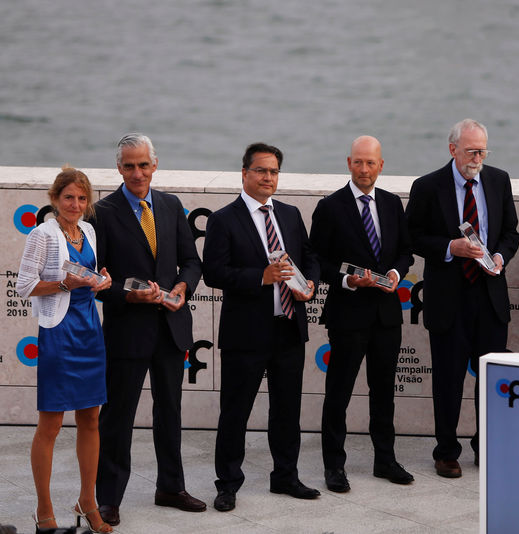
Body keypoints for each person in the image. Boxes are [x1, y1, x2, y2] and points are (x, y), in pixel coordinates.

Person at [91, 134, 205, 526]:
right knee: (118, 416)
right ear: (118, 169)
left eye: (143, 165)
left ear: (155, 165)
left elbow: (191, 260)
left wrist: (182, 285)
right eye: (129, 166)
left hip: (171, 326)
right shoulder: (101, 213)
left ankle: (170, 487)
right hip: (127, 330)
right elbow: (98, 280)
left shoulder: (171, 206)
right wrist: (128, 295)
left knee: (170, 411)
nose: (137, 173)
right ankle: (107, 498)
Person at [203, 143, 320, 512]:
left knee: (287, 410)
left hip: (288, 327)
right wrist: (262, 277)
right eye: (261, 171)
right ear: (245, 173)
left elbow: (309, 256)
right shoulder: (224, 219)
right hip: (246, 333)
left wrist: (311, 284)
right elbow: (213, 273)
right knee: (235, 411)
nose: (268, 178)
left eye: (273, 172)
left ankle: (285, 476)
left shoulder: (289, 213)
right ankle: (228, 484)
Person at [405, 119, 519, 478]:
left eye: (483, 150)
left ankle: (485, 446)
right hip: (448, 298)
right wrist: (449, 248)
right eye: (471, 151)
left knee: (490, 378)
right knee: (449, 378)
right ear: (452, 149)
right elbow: (411, 237)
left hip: (489, 295)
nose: (478, 157)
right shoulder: (427, 186)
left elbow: (511, 233)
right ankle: (446, 452)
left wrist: (500, 256)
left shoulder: (498, 180)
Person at [310, 136, 415, 493]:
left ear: (381, 165)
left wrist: (397, 276)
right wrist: (347, 281)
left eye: (371, 163)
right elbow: (316, 262)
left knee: (383, 391)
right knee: (338, 392)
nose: (365, 169)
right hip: (347, 314)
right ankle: (334, 467)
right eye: (358, 162)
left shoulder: (391, 203)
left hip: (387, 315)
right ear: (348, 163)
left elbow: (405, 252)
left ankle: (385, 459)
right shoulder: (330, 207)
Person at [16, 168, 113, 533]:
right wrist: (63, 283)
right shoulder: (42, 234)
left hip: (90, 330)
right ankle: (44, 510)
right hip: (58, 333)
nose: (76, 204)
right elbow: (25, 286)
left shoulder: (87, 230)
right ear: (55, 199)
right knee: (51, 423)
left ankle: (87, 501)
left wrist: (97, 280)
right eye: (69, 197)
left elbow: (86, 278)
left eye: (82, 198)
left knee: (91, 419)